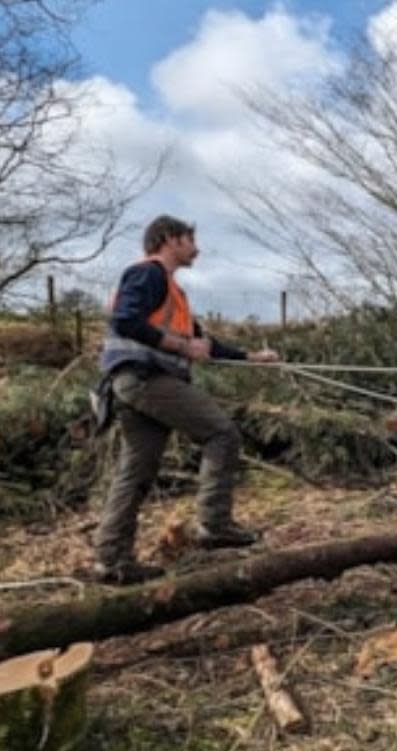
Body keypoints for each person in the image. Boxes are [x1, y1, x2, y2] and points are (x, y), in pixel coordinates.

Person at [93, 215, 280, 584]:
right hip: (146, 379)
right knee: (221, 433)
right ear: (169, 239)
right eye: (190, 239)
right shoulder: (147, 275)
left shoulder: (171, 292)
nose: (197, 248)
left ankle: (111, 559)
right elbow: (125, 321)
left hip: (135, 383)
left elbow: (204, 344)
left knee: (136, 470)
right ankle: (214, 524)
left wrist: (251, 358)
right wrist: (181, 346)